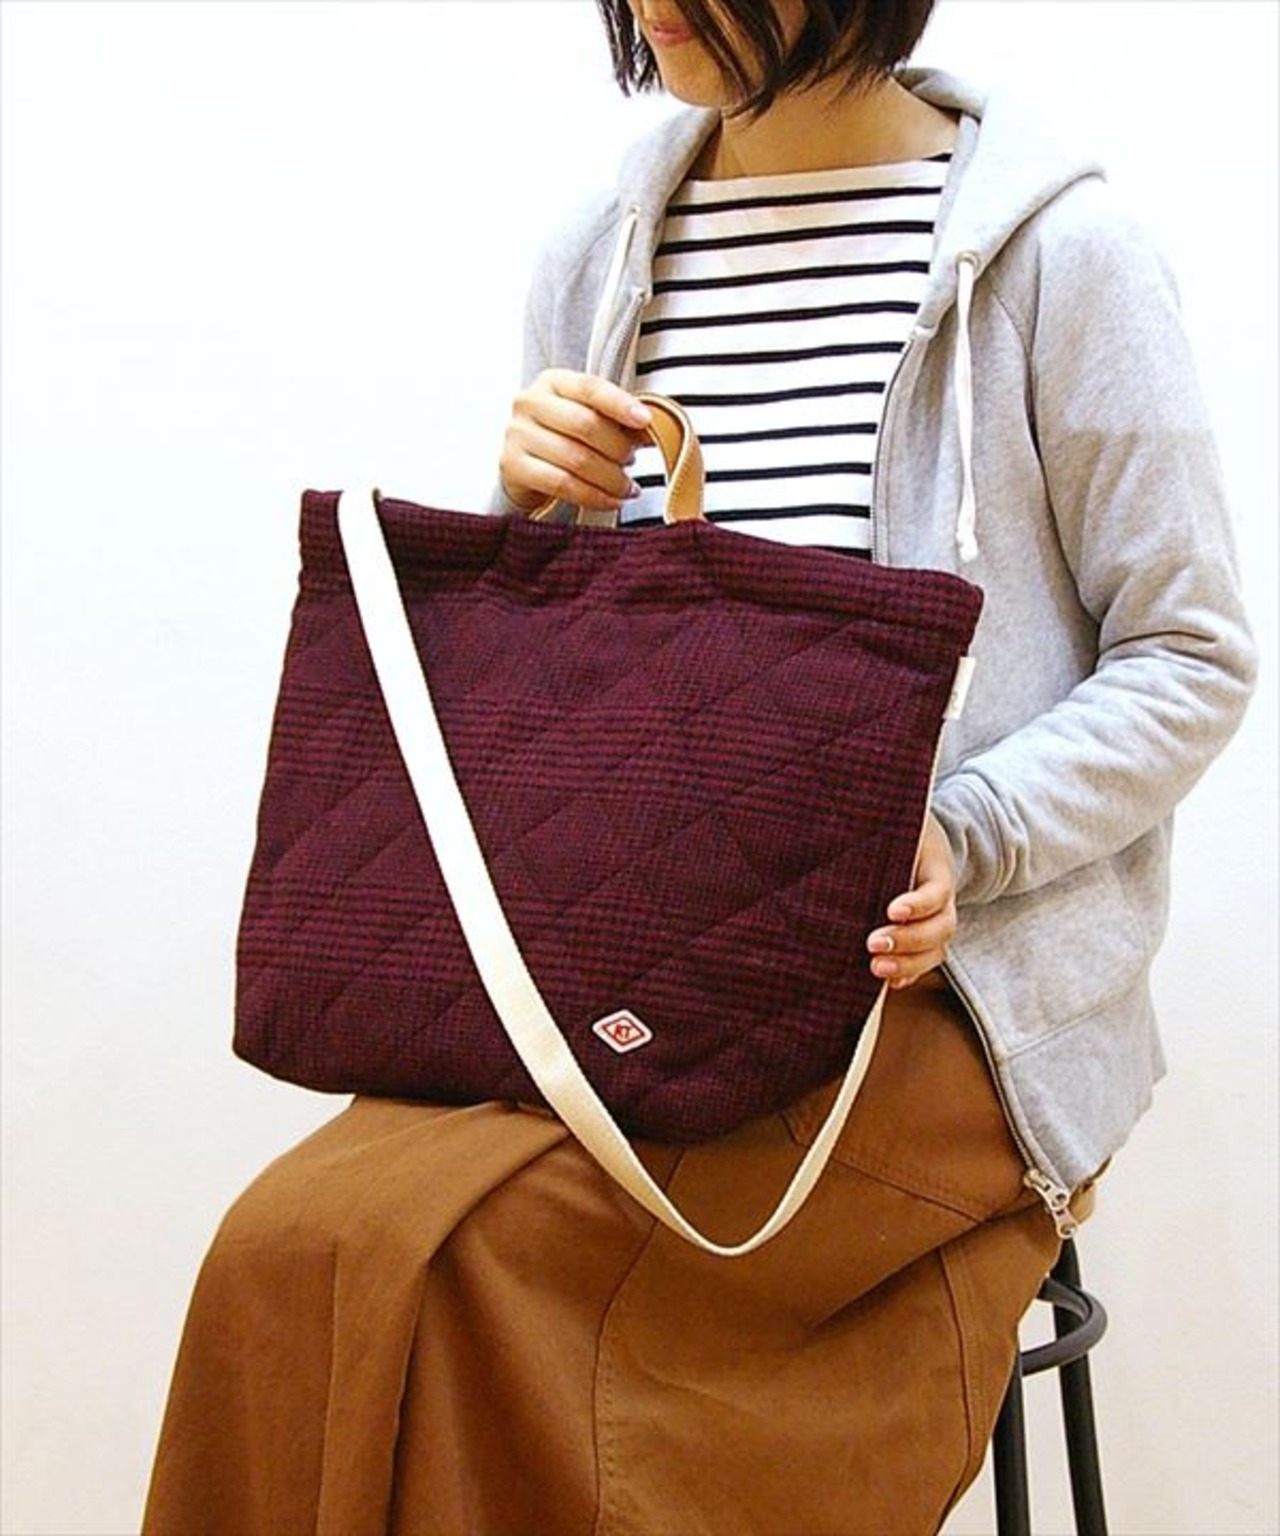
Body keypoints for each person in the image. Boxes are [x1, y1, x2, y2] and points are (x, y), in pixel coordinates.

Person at [143, 3, 1256, 1533]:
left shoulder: (1063, 258)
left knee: (473, 1265)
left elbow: (1191, 653)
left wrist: (964, 830)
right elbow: (590, 691)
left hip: (938, 1004)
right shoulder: (601, 255)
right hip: (639, 967)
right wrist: (528, 510)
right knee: (291, 1244)